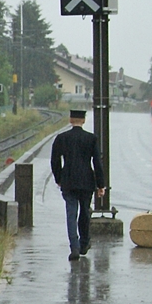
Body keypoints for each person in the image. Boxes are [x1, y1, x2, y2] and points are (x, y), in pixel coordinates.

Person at [50, 109, 105, 261]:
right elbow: (97, 163)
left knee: (71, 214)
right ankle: (84, 242)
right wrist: (101, 184)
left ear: (70, 120)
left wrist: (59, 178)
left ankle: (74, 247)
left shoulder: (62, 138)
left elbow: (55, 161)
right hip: (87, 181)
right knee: (85, 212)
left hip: (68, 181)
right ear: (84, 121)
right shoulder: (91, 139)